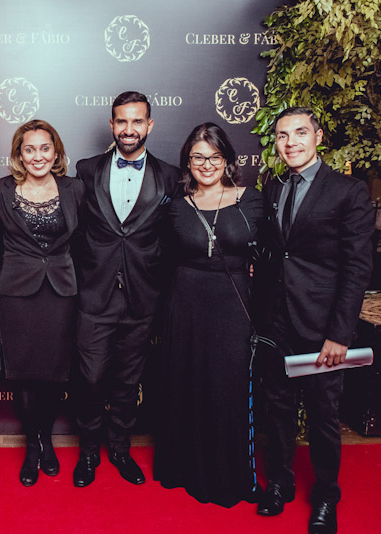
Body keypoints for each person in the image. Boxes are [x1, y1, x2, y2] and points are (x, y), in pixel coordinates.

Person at [255, 107, 373, 534]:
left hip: (323, 328)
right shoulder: (273, 186)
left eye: (300, 133)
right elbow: (277, 254)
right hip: (277, 323)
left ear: (318, 137)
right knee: (278, 409)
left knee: (323, 414)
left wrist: (339, 335)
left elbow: (357, 268)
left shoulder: (348, 191)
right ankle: (280, 484)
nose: (291, 143)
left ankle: (325, 496)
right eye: (282, 135)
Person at [72, 91, 180, 487]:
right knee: (90, 378)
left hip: (142, 296)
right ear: (112, 124)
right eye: (122, 121)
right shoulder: (86, 170)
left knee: (128, 380)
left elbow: (173, 237)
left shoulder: (170, 176)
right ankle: (88, 451)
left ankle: (119, 448)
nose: (129, 129)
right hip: (94, 294)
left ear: (149, 125)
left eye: (137, 121)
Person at [153, 123, 262, 506]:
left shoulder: (251, 200)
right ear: (187, 162)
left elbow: (269, 255)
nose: (206, 164)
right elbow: (163, 259)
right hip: (185, 306)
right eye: (197, 157)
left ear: (227, 159)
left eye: (214, 156)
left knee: (226, 388)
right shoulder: (176, 207)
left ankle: (228, 476)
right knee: (187, 385)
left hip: (233, 306)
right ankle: (185, 469)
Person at [0, 120, 84, 486]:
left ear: (55, 151)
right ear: (19, 154)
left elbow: (87, 242)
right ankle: (32, 445)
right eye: (29, 149)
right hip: (16, 293)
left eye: (45, 148)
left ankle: (46, 440)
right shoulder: (0, 190)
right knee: (24, 375)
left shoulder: (75, 188)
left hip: (60, 292)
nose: (38, 156)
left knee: (53, 374)